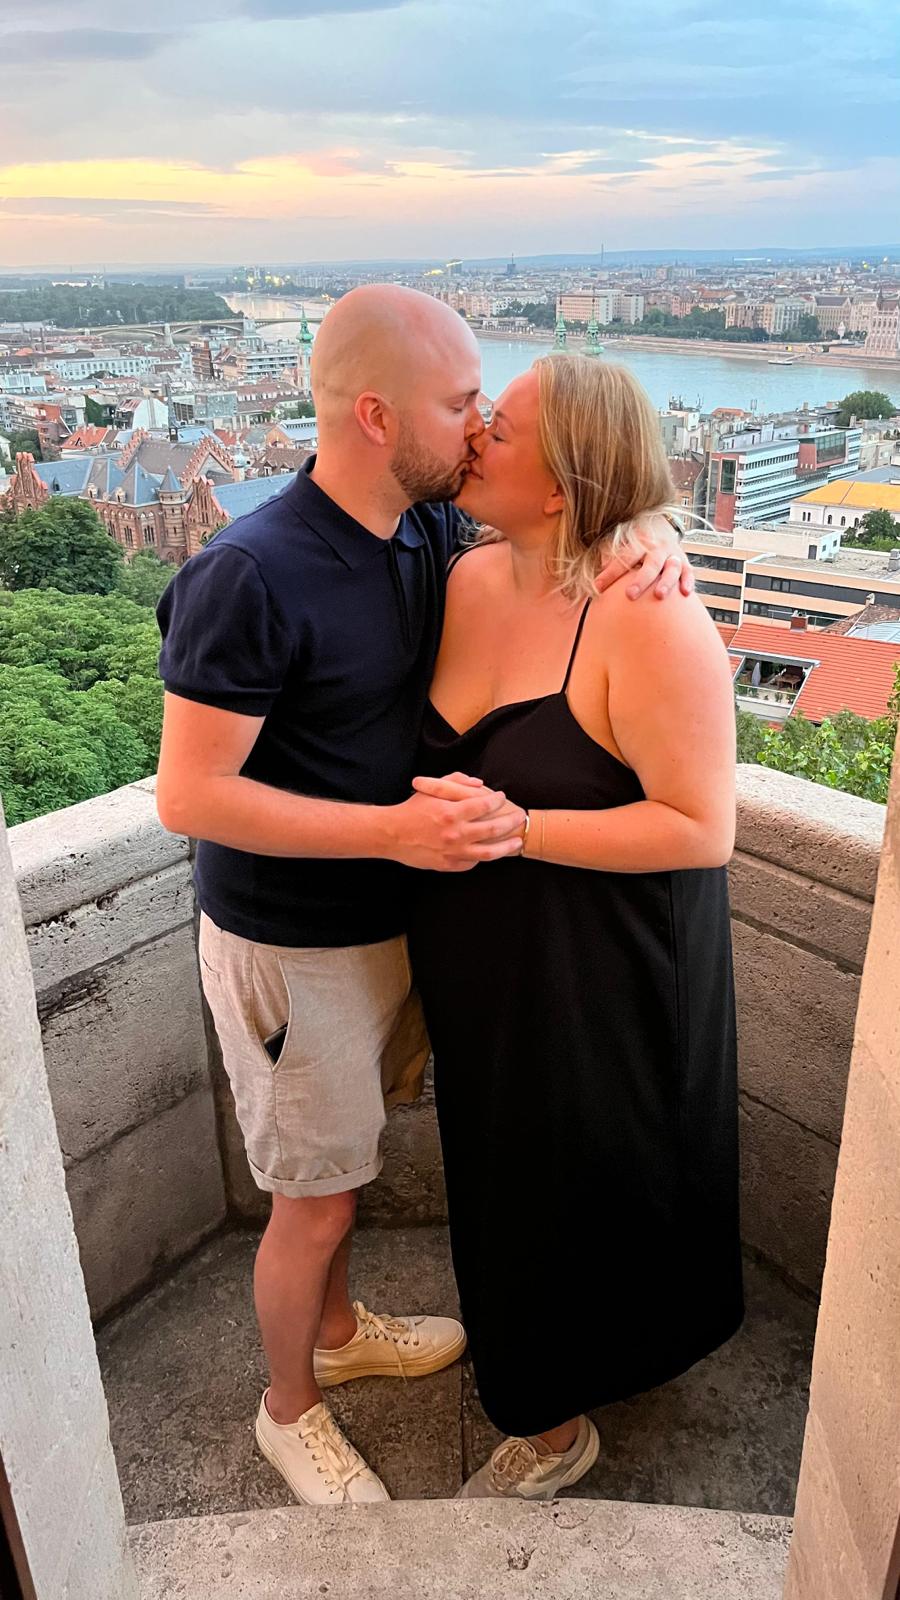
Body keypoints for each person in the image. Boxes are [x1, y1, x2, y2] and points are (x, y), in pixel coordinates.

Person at [155, 287, 693, 1506]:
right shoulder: (251, 569)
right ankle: (289, 1407)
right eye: (463, 405)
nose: (478, 429)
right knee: (316, 1197)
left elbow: (568, 535)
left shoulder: (421, 535)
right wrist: (396, 830)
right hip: (294, 943)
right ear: (380, 414)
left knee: (340, 1176)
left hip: (383, 929)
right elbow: (189, 796)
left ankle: (339, 1334)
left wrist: (651, 532)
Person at [408, 353, 744, 1501]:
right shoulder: (461, 572)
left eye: (496, 427)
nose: (471, 439)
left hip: (595, 968)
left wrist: (518, 829)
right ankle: (562, 1363)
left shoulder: (644, 614)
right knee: (503, 1171)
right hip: (483, 963)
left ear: (560, 486)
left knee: (582, 1170)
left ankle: (551, 1420)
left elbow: (703, 827)